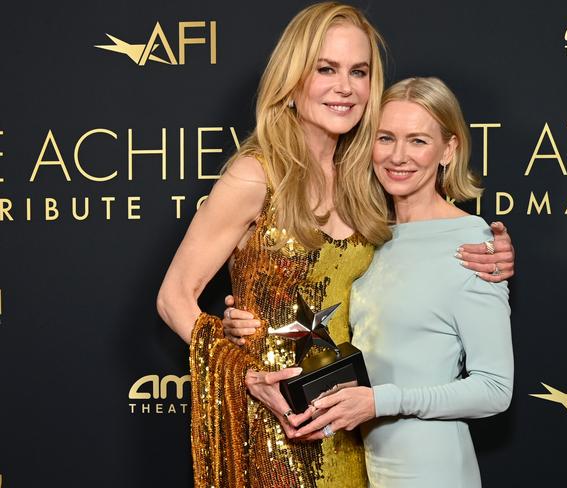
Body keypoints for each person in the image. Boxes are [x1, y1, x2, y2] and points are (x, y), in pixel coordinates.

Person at [157, 3, 513, 487]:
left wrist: (491, 255)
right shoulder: (256, 174)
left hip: (355, 433)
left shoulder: (368, 178)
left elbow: (418, 253)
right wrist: (245, 370)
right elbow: (174, 297)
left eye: (359, 71)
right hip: (279, 424)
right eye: (326, 68)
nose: (344, 87)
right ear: (293, 78)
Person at [291, 77, 514, 488]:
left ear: (449, 149)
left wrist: (382, 401)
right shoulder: (371, 237)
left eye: (417, 141)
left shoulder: (471, 243)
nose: (398, 156)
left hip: (434, 471)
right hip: (369, 467)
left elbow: (495, 389)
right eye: (385, 138)